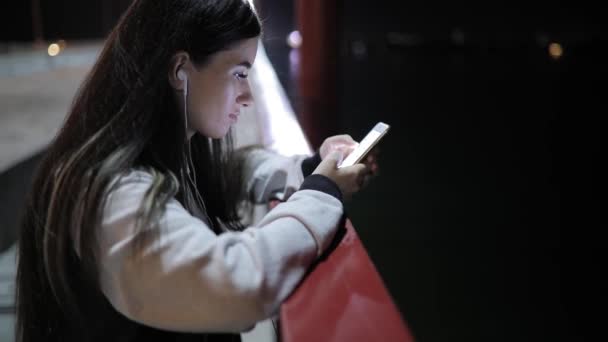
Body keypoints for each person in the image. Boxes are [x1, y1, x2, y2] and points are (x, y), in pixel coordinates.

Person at [15, 0, 377, 341]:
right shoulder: (113, 193)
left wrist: (312, 169)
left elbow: (237, 169)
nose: (248, 94)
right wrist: (321, 193)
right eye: (238, 73)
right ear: (179, 70)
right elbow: (236, 285)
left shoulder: (172, 152)